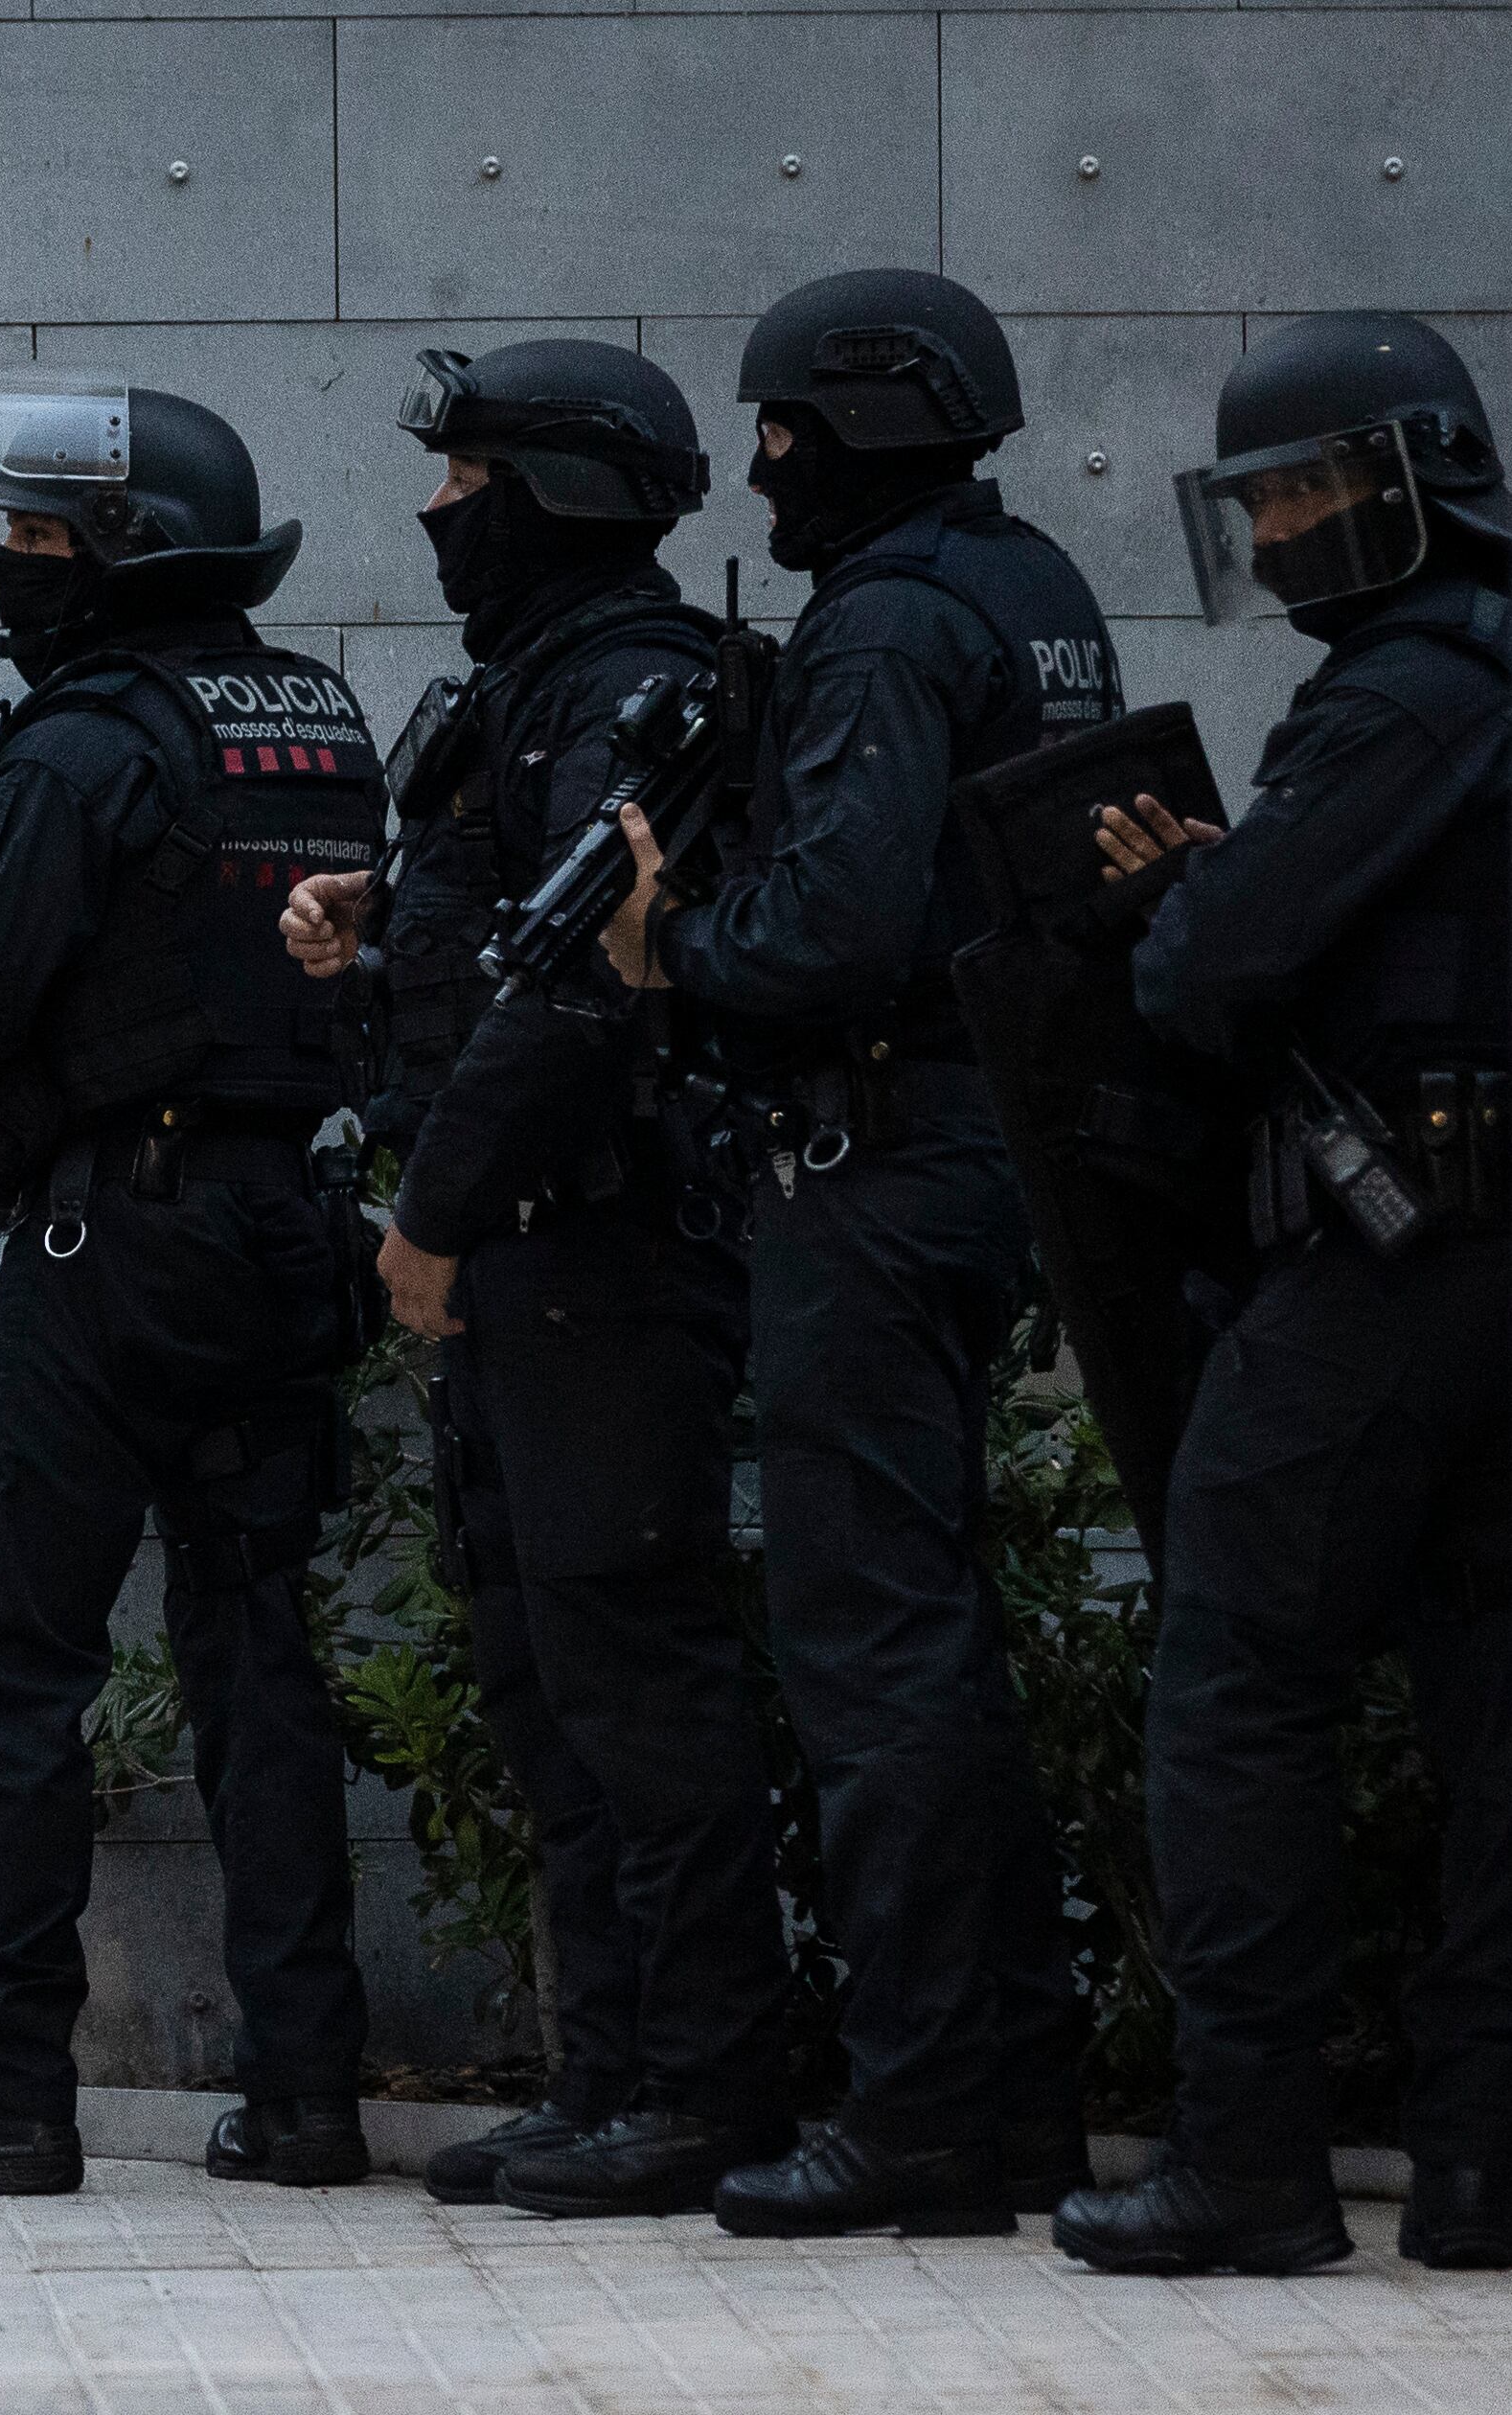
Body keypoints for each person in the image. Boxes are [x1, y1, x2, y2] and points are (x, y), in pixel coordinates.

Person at [0, 372, 382, 2196]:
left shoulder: (85, 740)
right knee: (257, 1660)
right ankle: (308, 2092)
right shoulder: (313, 716)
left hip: (119, 1238)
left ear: (122, 551)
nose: (14, 569)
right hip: (288, 1225)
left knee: (12, 1672)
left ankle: (8, 2097)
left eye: (38, 538)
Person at [599, 269, 1106, 2237]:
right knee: (936, 1654)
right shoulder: (1029, 584)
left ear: (864, 429)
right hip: (997, 1154)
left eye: (789, 433)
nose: (768, 468)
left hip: (883, 1170)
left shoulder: (889, 621)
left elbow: (824, 937)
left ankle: (919, 2118)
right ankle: (1014, 2102)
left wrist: (670, 952)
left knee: (875, 1653)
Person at [286, 342, 792, 2217]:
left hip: (598, 1248)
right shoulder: (538, 689)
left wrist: (432, 1215)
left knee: (634, 1688)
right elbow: (492, 940)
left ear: (557, 494)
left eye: (467, 475)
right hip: (525, 1255)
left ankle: (707, 2085)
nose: (436, 510)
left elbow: (585, 991)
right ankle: (612, 2076)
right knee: (547, 1684)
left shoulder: (637, 690)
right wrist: (371, 940)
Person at [1050, 314, 1512, 2278]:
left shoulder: (1413, 686)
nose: (1290, 532)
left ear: (1408, 480)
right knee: (1499, 1713)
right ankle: (1482, 2167)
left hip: (1398, 1251)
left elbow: (1208, 974)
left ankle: (1249, 2162)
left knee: (1240, 1678)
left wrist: (1190, 901)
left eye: (1311, 492)